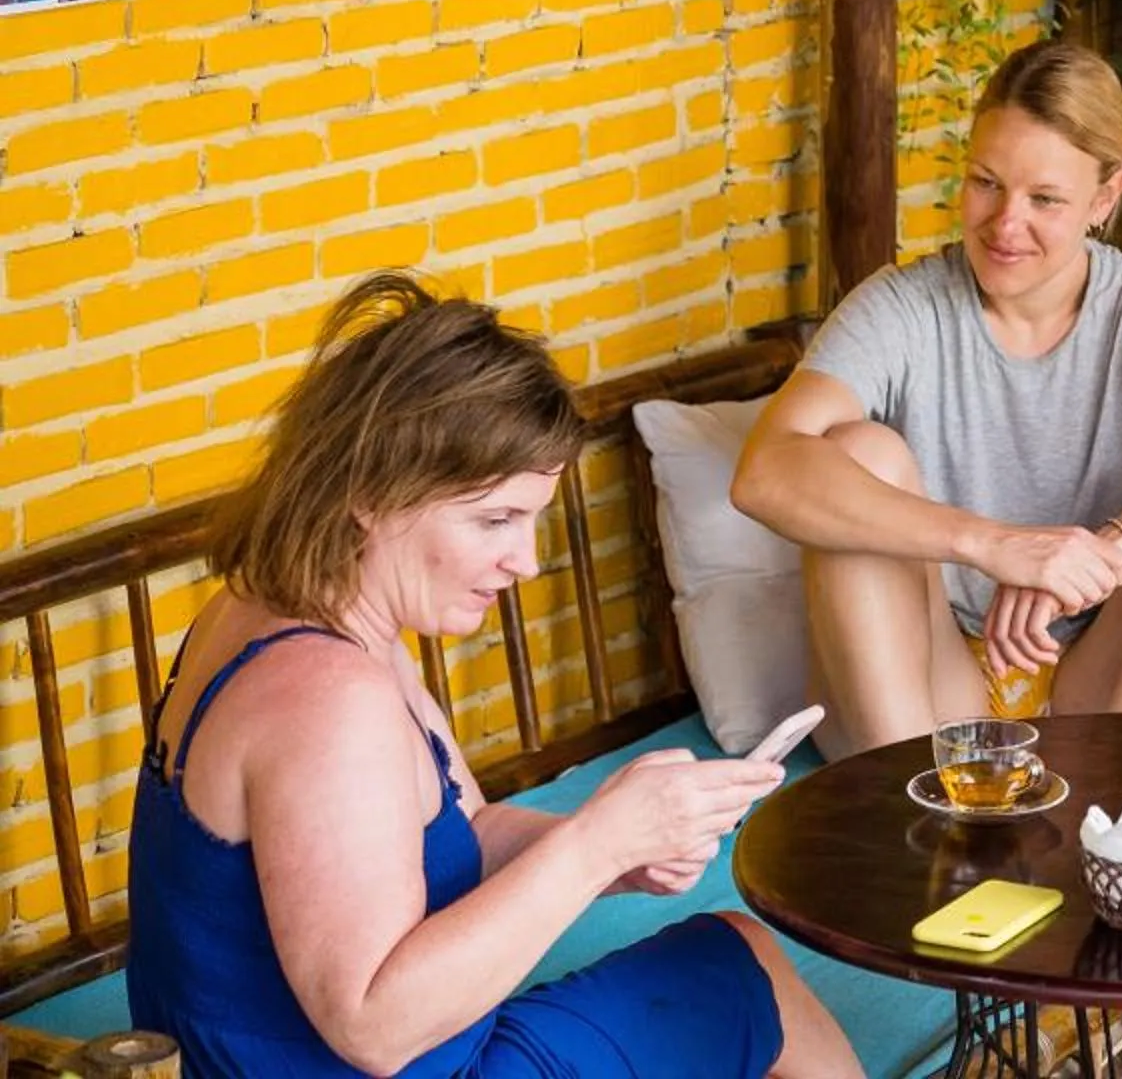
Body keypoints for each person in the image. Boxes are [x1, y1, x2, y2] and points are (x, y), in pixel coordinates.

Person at [124, 272, 863, 1078]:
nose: (527, 561)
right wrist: (594, 843)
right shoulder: (327, 699)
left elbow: (468, 834)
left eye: (532, 518)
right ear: (372, 494)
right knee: (747, 971)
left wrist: (623, 855)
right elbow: (373, 1026)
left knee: (734, 958)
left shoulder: (284, 607)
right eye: (494, 520)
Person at [733, 42, 1122, 760]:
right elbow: (764, 472)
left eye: (1044, 199)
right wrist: (996, 547)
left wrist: (1101, 551)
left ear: (1105, 197)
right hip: (929, 698)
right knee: (860, 452)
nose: (1004, 225)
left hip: (1108, 692)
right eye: (986, 184)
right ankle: (907, 814)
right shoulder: (902, 307)